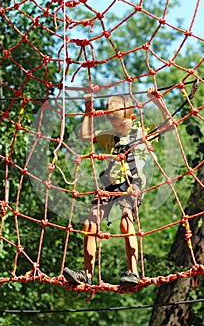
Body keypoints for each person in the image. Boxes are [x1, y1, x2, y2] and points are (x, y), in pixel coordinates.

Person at [64, 87, 173, 288]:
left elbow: (169, 125)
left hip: (132, 183)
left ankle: (133, 271)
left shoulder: (142, 131)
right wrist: (89, 108)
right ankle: (86, 274)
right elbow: (86, 135)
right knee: (90, 223)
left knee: (125, 219)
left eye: (121, 124)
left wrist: (157, 100)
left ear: (132, 117)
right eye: (113, 124)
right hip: (109, 182)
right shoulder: (109, 136)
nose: (118, 128)